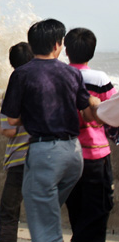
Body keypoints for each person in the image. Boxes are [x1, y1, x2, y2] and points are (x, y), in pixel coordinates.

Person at [0, 19, 100, 242]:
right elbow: (87, 112)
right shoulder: (72, 74)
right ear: (57, 44)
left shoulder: (22, 74)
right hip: (74, 154)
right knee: (48, 211)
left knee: (44, 225)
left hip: (45, 153)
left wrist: (34, 113)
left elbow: (13, 119)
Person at [64, 28, 116, 242]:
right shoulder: (100, 78)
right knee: (97, 210)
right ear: (92, 52)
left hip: (66, 153)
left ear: (66, 51)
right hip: (95, 154)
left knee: (75, 210)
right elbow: (113, 112)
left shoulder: (60, 75)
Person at [0, 42, 34, 242]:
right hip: (43, 155)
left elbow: (9, 130)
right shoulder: (42, 85)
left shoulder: (12, 89)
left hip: (19, 158)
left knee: (8, 211)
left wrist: (2, 128)